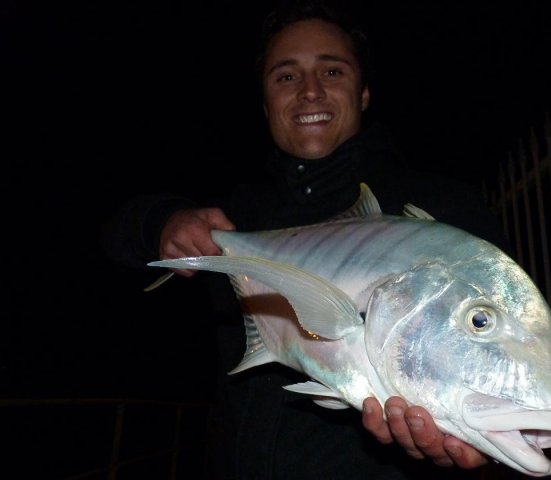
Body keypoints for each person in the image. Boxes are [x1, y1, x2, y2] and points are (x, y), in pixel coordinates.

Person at [102, 1, 510, 478]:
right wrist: (163, 222)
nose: (310, 92)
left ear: (363, 93)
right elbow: (114, 237)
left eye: (332, 71)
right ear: (265, 102)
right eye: (287, 77)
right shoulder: (240, 215)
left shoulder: (444, 212)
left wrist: (475, 436)